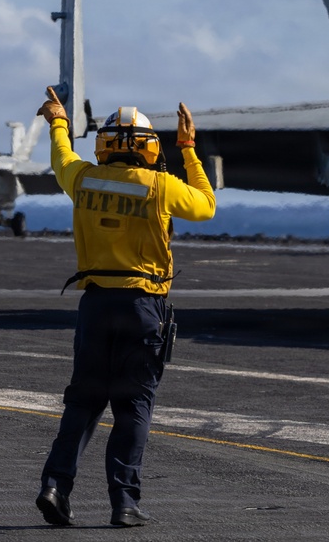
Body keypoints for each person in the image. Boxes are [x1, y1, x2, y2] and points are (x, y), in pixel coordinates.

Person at [34, 88, 216, 527]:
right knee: (133, 404)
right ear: (150, 147)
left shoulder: (82, 179)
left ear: (105, 146)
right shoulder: (161, 185)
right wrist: (189, 149)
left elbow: (61, 156)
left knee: (83, 401)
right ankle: (125, 503)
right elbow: (206, 206)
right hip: (142, 307)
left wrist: (58, 120)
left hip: (95, 304)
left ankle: (55, 487)